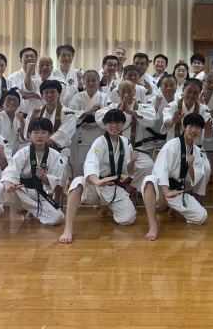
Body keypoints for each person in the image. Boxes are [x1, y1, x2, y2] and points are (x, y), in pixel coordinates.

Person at [59, 109, 137, 244]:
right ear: (105, 125)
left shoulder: (125, 142)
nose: (114, 126)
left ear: (123, 124)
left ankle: (105, 206)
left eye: (118, 122)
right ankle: (68, 228)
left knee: (128, 219)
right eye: (110, 123)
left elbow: (126, 169)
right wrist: (97, 181)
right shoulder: (99, 142)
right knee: (77, 182)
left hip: (112, 185)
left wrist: (132, 162)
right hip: (95, 184)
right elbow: (91, 163)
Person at [141, 113, 209, 241]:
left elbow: (194, 179)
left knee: (201, 217)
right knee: (149, 180)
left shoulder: (196, 151)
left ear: (201, 131)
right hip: (161, 189)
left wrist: (190, 166)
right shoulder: (171, 145)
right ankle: (152, 224)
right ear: (184, 127)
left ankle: (172, 207)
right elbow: (161, 170)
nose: (193, 130)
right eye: (191, 126)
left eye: (197, 128)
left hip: (177, 190)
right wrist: (166, 192)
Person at [96, 80, 156, 190]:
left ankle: (130, 189)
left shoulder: (142, 107)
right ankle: (108, 191)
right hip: (115, 149)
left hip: (136, 150)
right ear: (118, 93)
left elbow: (151, 119)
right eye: (123, 91)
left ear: (134, 92)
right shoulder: (112, 107)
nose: (126, 94)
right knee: (103, 166)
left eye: (129, 91)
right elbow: (99, 118)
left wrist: (131, 112)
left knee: (148, 166)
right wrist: (119, 111)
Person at [25, 79, 77, 204]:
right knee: (28, 168)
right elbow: (28, 135)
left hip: (59, 151)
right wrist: (32, 118)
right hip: (39, 151)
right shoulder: (36, 112)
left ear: (59, 94)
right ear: (42, 95)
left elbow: (64, 134)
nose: (49, 95)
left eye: (52, 92)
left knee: (61, 167)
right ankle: (31, 200)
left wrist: (43, 140)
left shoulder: (68, 113)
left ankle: (57, 197)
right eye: (46, 92)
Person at [68, 70, 111, 176]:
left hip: (98, 132)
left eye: (94, 80)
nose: (91, 83)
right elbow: (71, 113)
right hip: (81, 132)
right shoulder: (78, 96)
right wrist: (88, 112)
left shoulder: (104, 97)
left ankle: (96, 184)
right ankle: (79, 183)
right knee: (80, 163)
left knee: (97, 163)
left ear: (98, 81)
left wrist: (96, 124)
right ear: (83, 81)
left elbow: (109, 114)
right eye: (88, 80)